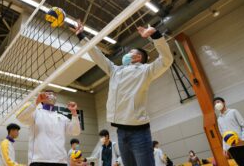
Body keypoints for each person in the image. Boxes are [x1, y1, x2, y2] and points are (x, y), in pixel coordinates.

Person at [73, 21, 173, 166]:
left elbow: (166, 60)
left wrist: (155, 35)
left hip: (139, 132)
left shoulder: (146, 71)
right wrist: (82, 36)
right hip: (121, 131)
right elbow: (98, 56)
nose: (126, 54)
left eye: (130, 52)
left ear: (138, 58)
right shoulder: (115, 70)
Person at [16, 90, 81, 166]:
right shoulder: (35, 113)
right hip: (39, 161)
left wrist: (74, 113)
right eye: (48, 94)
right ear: (43, 97)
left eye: (53, 94)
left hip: (61, 162)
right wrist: (36, 101)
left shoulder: (62, 117)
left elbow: (76, 132)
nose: (51, 95)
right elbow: (21, 117)